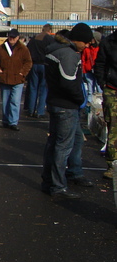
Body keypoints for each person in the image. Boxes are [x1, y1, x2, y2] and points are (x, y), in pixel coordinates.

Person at [41, 22, 95, 199]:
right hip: (66, 106)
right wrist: (80, 99)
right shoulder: (69, 54)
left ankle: (51, 181)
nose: (87, 46)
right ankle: (57, 186)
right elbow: (69, 83)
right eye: (86, 42)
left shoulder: (55, 50)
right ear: (77, 39)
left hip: (56, 103)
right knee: (62, 147)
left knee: (57, 143)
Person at [0, 28, 32, 130]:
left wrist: (22, 73)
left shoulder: (23, 49)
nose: (12, 39)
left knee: (15, 101)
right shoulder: (1, 48)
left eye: (14, 37)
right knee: (5, 101)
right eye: (10, 37)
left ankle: (13, 122)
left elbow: (28, 62)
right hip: (4, 78)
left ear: (18, 38)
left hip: (18, 79)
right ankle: (5, 120)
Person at [93, 29, 117, 180]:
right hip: (112, 90)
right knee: (114, 128)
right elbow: (100, 65)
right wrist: (103, 84)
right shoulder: (109, 42)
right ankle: (112, 164)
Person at [24, 23, 54, 119]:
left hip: (34, 64)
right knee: (43, 89)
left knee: (33, 88)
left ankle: (31, 110)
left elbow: (27, 50)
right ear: (50, 30)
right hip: (44, 65)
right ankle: (40, 111)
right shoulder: (50, 39)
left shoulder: (34, 39)